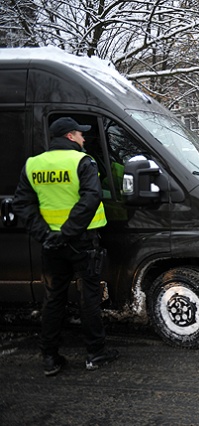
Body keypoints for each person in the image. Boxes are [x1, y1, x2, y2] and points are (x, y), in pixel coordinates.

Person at [13, 117, 119, 376]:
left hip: (51, 245)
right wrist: (69, 232)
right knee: (89, 298)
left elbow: (22, 204)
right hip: (82, 243)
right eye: (80, 134)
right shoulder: (82, 161)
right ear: (70, 137)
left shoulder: (33, 165)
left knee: (53, 299)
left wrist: (47, 235)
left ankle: (50, 357)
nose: (84, 138)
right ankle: (95, 353)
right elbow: (91, 198)